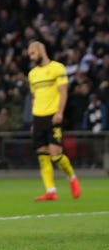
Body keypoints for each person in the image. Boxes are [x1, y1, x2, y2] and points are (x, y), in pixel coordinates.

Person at [27, 41, 81, 201]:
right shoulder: (32, 74)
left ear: (42, 50)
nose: (31, 57)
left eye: (33, 53)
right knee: (42, 155)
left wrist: (60, 112)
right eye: (29, 54)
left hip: (53, 116)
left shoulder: (57, 68)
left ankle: (72, 178)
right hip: (38, 117)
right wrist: (33, 121)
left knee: (56, 155)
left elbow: (63, 92)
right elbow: (34, 98)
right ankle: (51, 191)